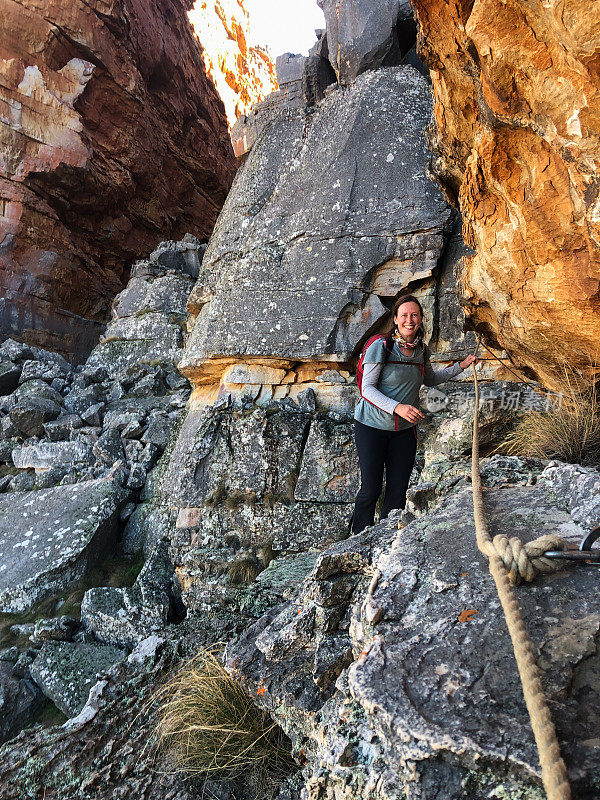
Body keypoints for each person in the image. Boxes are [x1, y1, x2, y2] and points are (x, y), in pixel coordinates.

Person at [352, 294, 479, 534]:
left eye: (414, 315)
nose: (409, 320)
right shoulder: (381, 346)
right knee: (370, 489)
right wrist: (398, 407)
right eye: (405, 315)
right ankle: (357, 540)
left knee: (398, 491)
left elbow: (430, 379)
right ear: (396, 319)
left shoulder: (421, 350)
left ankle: (387, 539)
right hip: (371, 427)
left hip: (403, 431)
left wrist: (460, 366)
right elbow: (367, 388)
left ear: (420, 320)